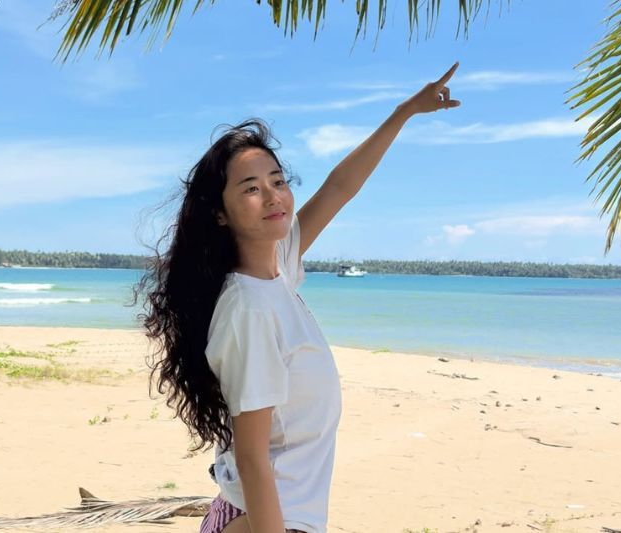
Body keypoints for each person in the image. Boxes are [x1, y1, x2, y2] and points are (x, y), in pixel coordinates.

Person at [133, 63, 461, 533]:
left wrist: (404, 112)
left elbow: (340, 187)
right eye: (251, 188)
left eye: (278, 181)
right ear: (220, 214)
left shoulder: (277, 270)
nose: (273, 197)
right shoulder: (249, 308)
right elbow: (251, 458)